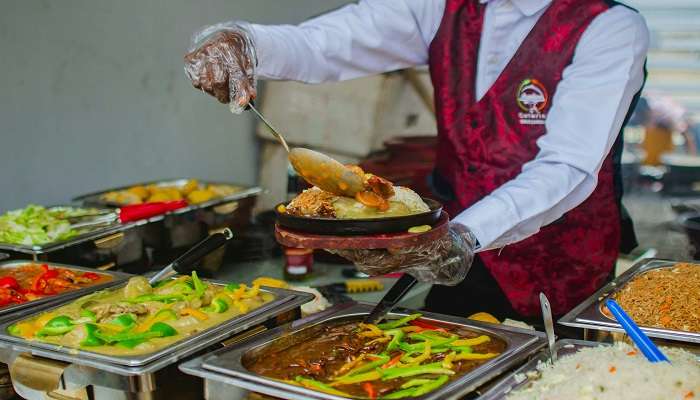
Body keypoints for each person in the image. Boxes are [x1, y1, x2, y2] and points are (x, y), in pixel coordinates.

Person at [184, 0, 649, 322]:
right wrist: (247, 44)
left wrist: (464, 236)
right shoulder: (440, 9)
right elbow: (328, 41)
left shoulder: (607, 27)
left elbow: (567, 166)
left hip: (562, 270)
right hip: (453, 259)